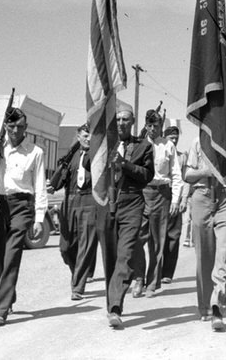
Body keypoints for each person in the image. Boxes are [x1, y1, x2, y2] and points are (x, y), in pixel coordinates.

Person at [0, 107, 48, 327]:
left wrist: (39, 218)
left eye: (20, 126)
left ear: (26, 128)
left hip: (22, 205)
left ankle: (0, 308)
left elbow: (39, 186)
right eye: (11, 126)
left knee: (12, 254)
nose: (15, 130)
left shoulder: (35, 152)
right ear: (5, 126)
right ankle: (9, 292)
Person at [96, 107, 154, 328]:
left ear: (132, 122)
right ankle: (112, 299)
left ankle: (115, 307)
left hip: (132, 203)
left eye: (125, 119)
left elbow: (147, 176)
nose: (120, 123)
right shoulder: (103, 146)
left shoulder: (144, 146)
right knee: (110, 256)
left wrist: (125, 164)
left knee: (126, 253)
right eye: (118, 119)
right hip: (106, 203)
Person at [179, 133, 226, 331]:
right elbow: (188, 175)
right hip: (202, 196)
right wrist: (206, 171)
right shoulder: (197, 142)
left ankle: (217, 308)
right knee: (204, 256)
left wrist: (224, 153)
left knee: (224, 254)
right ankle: (205, 305)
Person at [130, 109, 182, 298]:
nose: (153, 129)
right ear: (145, 125)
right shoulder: (138, 145)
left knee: (157, 242)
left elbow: (176, 174)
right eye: (149, 125)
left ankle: (152, 283)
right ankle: (138, 279)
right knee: (136, 238)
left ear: (161, 127)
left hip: (162, 195)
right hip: (142, 194)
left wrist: (176, 199)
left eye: (157, 125)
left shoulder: (168, 145)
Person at [48, 123, 98, 301]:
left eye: (91, 135)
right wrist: (52, 185)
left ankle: (78, 286)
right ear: (78, 136)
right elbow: (60, 181)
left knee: (86, 245)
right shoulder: (71, 156)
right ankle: (77, 271)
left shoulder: (98, 155)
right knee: (65, 247)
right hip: (70, 201)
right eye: (85, 135)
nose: (88, 139)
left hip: (90, 200)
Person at [161, 125, 188, 284]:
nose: (175, 140)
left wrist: (183, 199)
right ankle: (155, 271)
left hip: (176, 197)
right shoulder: (159, 153)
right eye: (171, 138)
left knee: (173, 235)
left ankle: (167, 273)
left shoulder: (182, 157)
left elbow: (185, 179)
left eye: (176, 138)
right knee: (157, 235)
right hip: (161, 196)